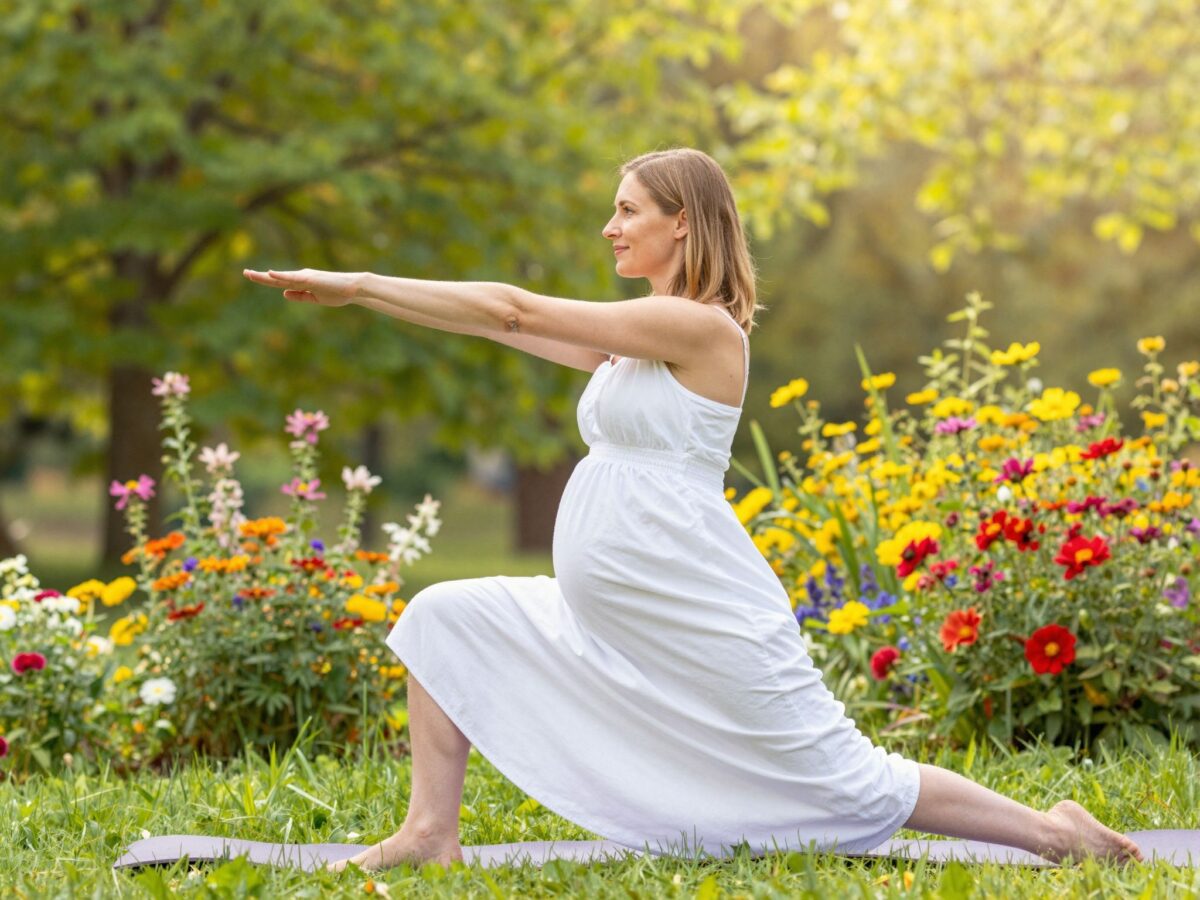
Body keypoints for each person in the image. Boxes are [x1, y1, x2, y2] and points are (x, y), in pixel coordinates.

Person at [243, 148, 1143, 874]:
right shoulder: (635, 340)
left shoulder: (702, 329)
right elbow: (491, 323)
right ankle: (430, 832)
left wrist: (358, 279)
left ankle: (1054, 832)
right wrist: (369, 299)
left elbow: (513, 309)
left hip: (697, 602)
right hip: (621, 615)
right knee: (443, 616)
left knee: (842, 779)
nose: (610, 227)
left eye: (627, 210)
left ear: (684, 222)